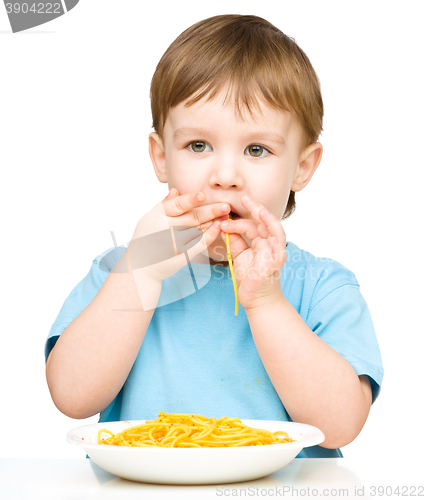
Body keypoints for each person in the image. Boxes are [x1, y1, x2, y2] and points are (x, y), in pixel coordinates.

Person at [45, 14, 383, 458]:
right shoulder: (121, 273)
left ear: (302, 167)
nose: (225, 176)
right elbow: (71, 396)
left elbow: (339, 427)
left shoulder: (322, 287)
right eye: (198, 146)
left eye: (256, 149)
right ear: (160, 156)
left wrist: (266, 300)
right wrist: (140, 273)